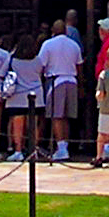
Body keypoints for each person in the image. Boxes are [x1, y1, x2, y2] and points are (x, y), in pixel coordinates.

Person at [35, 19, 82, 163]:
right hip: (72, 80)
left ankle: (61, 148)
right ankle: (64, 146)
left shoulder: (48, 44)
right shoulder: (74, 45)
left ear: (53, 31)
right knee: (66, 116)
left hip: (56, 80)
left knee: (56, 116)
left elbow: (40, 65)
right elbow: (80, 66)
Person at [4, 32, 43, 162]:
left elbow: (2, 73)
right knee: (33, 125)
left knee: (18, 125)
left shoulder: (12, 59)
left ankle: (18, 150)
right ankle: (34, 149)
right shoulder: (38, 60)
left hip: (17, 96)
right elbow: (42, 73)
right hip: (36, 95)